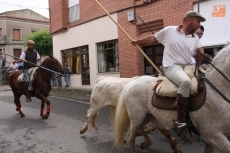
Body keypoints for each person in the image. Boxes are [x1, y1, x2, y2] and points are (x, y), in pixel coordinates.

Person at [132, 10, 205, 128]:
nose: (199, 25)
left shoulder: (195, 38)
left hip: (189, 66)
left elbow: (198, 61)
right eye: (197, 21)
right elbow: (153, 39)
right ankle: (180, 120)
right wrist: (138, 41)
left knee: (205, 81)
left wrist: (200, 55)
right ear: (189, 20)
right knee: (185, 82)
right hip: (171, 66)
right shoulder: (169, 31)